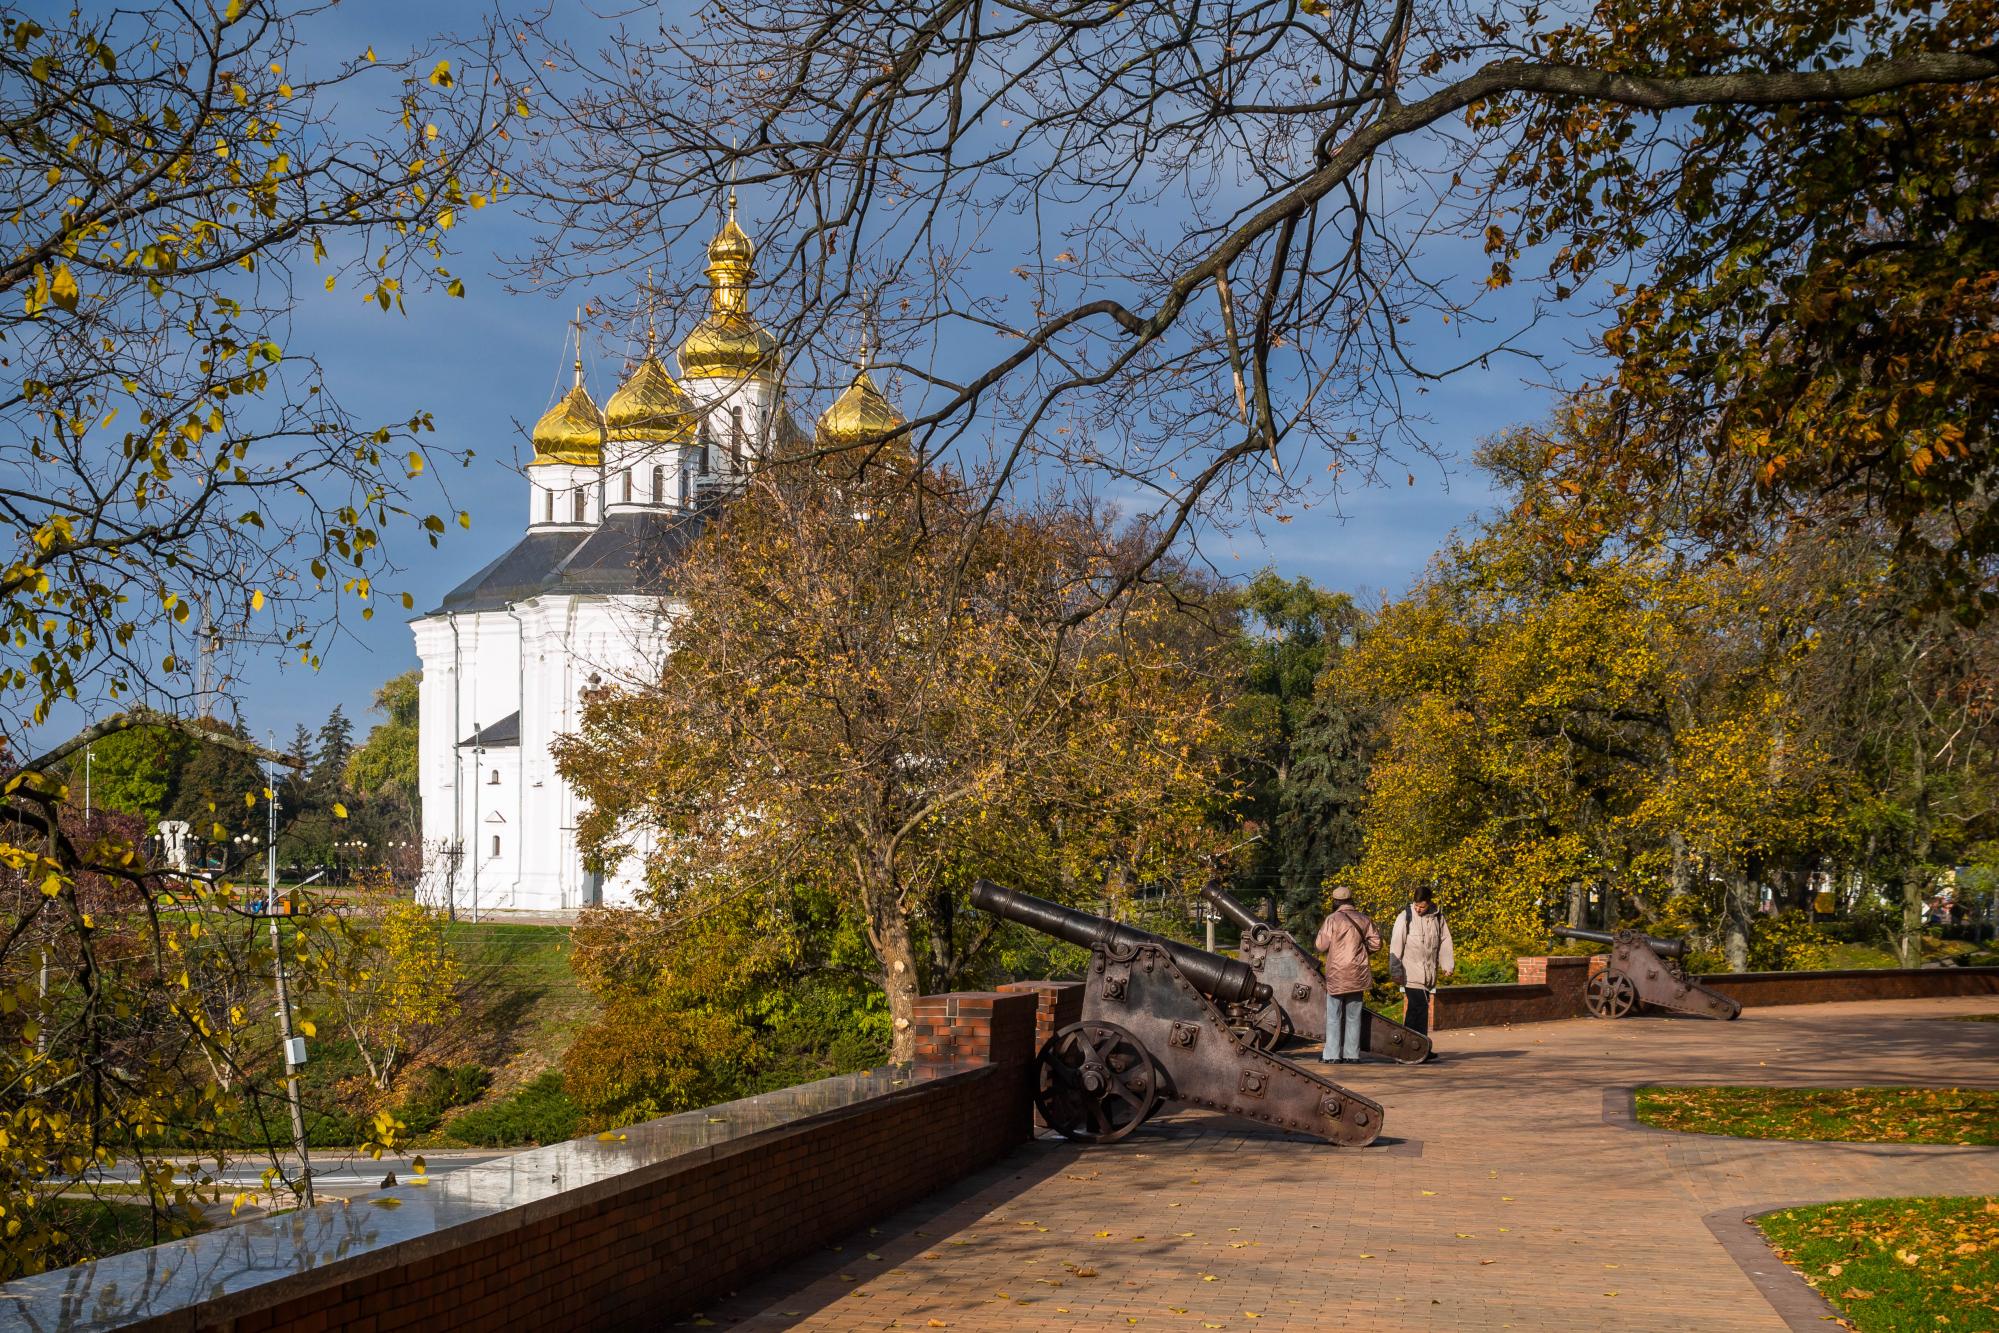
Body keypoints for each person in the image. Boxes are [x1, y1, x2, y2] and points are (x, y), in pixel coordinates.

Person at [1313, 885, 1380, 1064]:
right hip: (1358, 972)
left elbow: (1320, 945)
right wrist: (1362, 951)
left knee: (1334, 1016)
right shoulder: (1365, 919)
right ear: (1351, 900)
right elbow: (1376, 944)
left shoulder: (1332, 920)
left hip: (1337, 972)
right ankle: (1352, 1054)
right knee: (1353, 1015)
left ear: (1335, 902)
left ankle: (1332, 1055)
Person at [1389, 884, 1454, 1060]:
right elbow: (1396, 944)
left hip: (1428, 973)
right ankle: (1404, 1048)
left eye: (1422, 906)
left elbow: (1445, 941)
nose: (1418, 909)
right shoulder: (1405, 917)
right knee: (1417, 1007)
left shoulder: (1438, 917)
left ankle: (1420, 1048)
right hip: (1410, 972)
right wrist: (1395, 970)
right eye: (1416, 905)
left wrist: (1447, 964)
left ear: (1429, 903)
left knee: (1421, 1010)